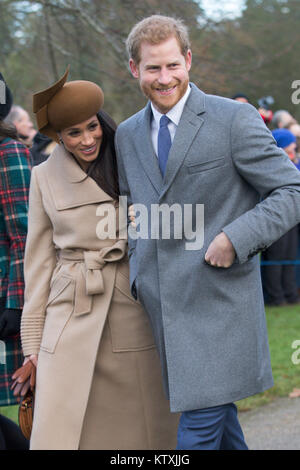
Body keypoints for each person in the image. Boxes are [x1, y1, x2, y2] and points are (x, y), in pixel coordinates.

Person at [115, 15, 300, 450]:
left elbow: (291, 189)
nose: (165, 78)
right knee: (220, 425)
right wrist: (136, 263)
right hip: (163, 309)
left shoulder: (234, 119)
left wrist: (236, 238)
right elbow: (132, 207)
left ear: (189, 60)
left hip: (220, 305)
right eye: (153, 68)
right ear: (133, 69)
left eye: (173, 65)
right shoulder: (125, 135)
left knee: (197, 432)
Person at [19, 68, 179, 450]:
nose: (87, 139)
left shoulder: (132, 157)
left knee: (141, 430)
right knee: (61, 428)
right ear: (59, 137)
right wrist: (31, 346)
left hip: (130, 306)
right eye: (74, 133)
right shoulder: (43, 177)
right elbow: (38, 263)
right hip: (69, 309)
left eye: (92, 127)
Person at [0, 71, 31, 450]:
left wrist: (16, 303)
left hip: (6, 296)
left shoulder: (9, 152)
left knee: (29, 411)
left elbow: (22, 234)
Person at [262, 129, 300, 306]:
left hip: (292, 217)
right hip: (275, 217)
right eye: (289, 149)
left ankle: (291, 294)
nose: (293, 153)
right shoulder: (270, 165)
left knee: (290, 257)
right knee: (276, 259)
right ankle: (276, 297)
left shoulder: (294, 164)